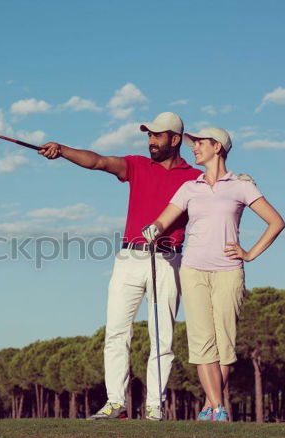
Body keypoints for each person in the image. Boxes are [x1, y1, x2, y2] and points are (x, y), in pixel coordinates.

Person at [38, 112, 202, 420]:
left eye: (157, 135)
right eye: (148, 135)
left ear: (175, 139)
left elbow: (221, 188)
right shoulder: (137, 166)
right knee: (115, 332)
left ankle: (155, 406)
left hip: (168, 259)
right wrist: (62, 150)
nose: (151, 140)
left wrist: (240, 180)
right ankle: (116, 403)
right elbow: (98, 161)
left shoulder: (194, 177)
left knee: (161, 336)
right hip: (129, 258)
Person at [142, 127, 285, 422]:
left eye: (200, 144)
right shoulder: (189, 188)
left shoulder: (242, 186)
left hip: (229, 272)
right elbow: (165, 219)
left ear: (217, 147)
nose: (194, 148)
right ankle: (218, 408)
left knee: (225, 343)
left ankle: (211, 404)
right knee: (201, 340)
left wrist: (249, 253)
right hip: (193, 269)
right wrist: (153, 230)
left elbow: (276, 222)